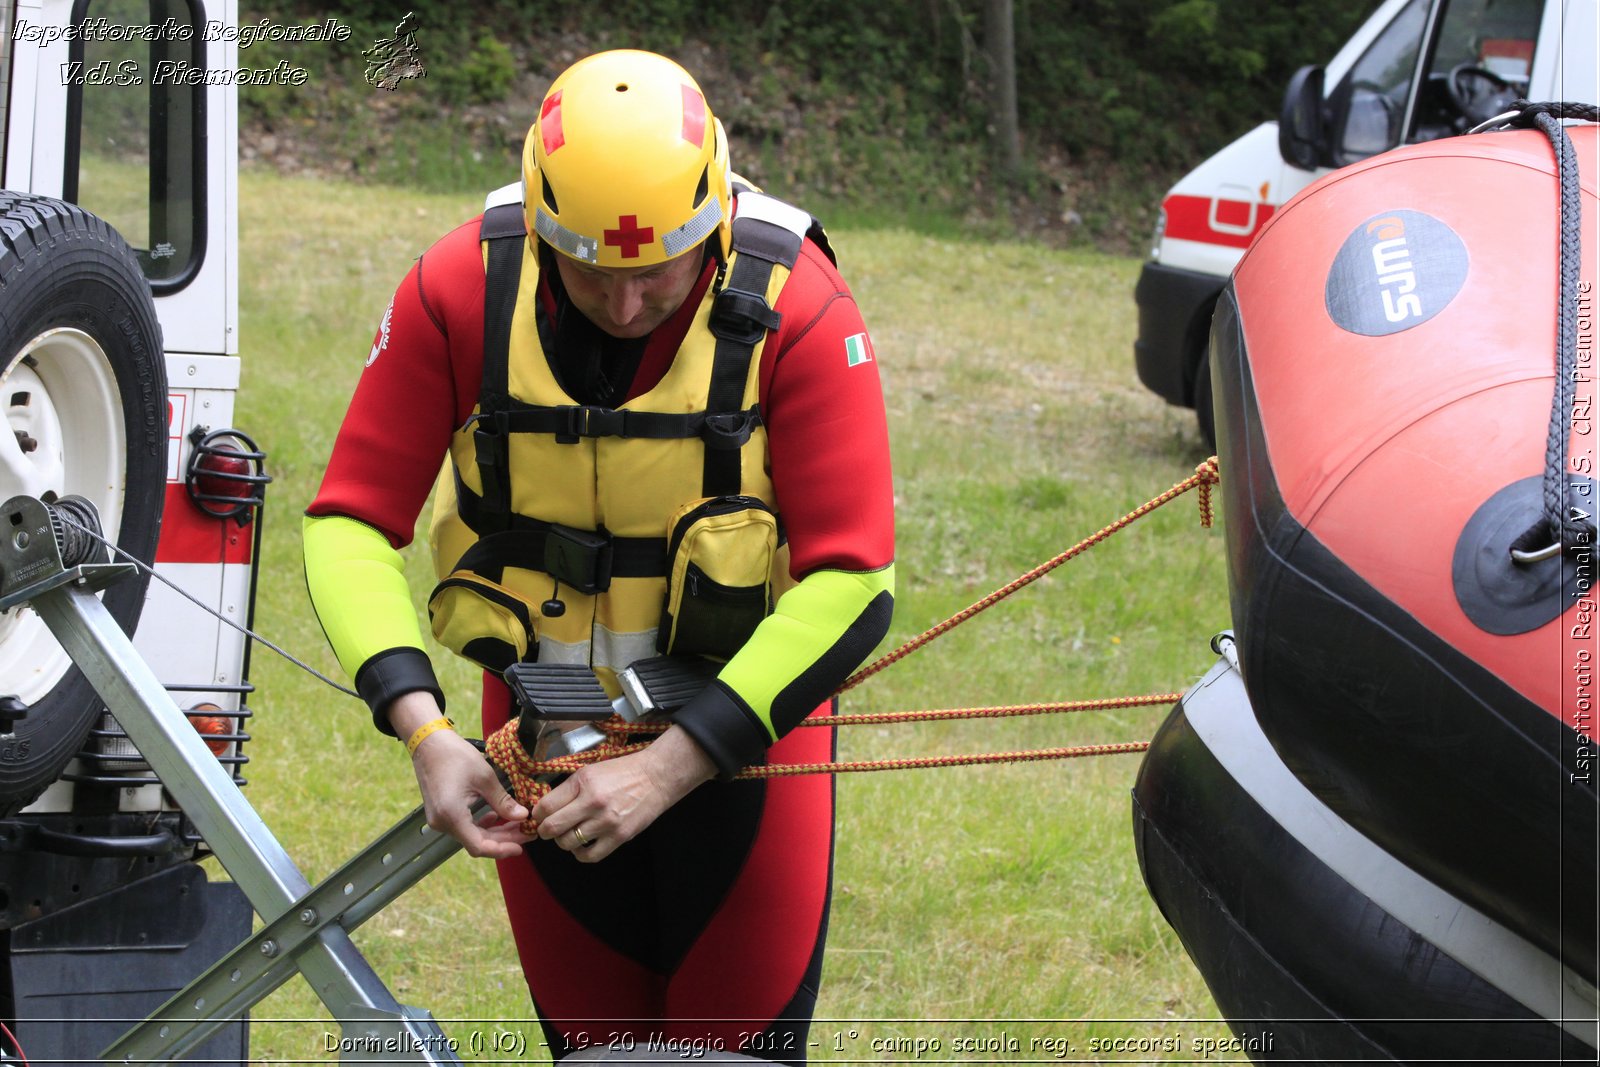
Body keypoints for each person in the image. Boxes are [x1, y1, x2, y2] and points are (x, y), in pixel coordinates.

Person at [302, 50, 896, 1063]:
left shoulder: (799, 306)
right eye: (590, 273)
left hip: (743, 743)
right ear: (539, 230)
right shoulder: (458, 288)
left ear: (710, 228)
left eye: (656, 273)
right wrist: (424, 729)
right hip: (545, 736)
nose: (624, 308)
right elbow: (349, 519)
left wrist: (671, 764)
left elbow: (856, 577)